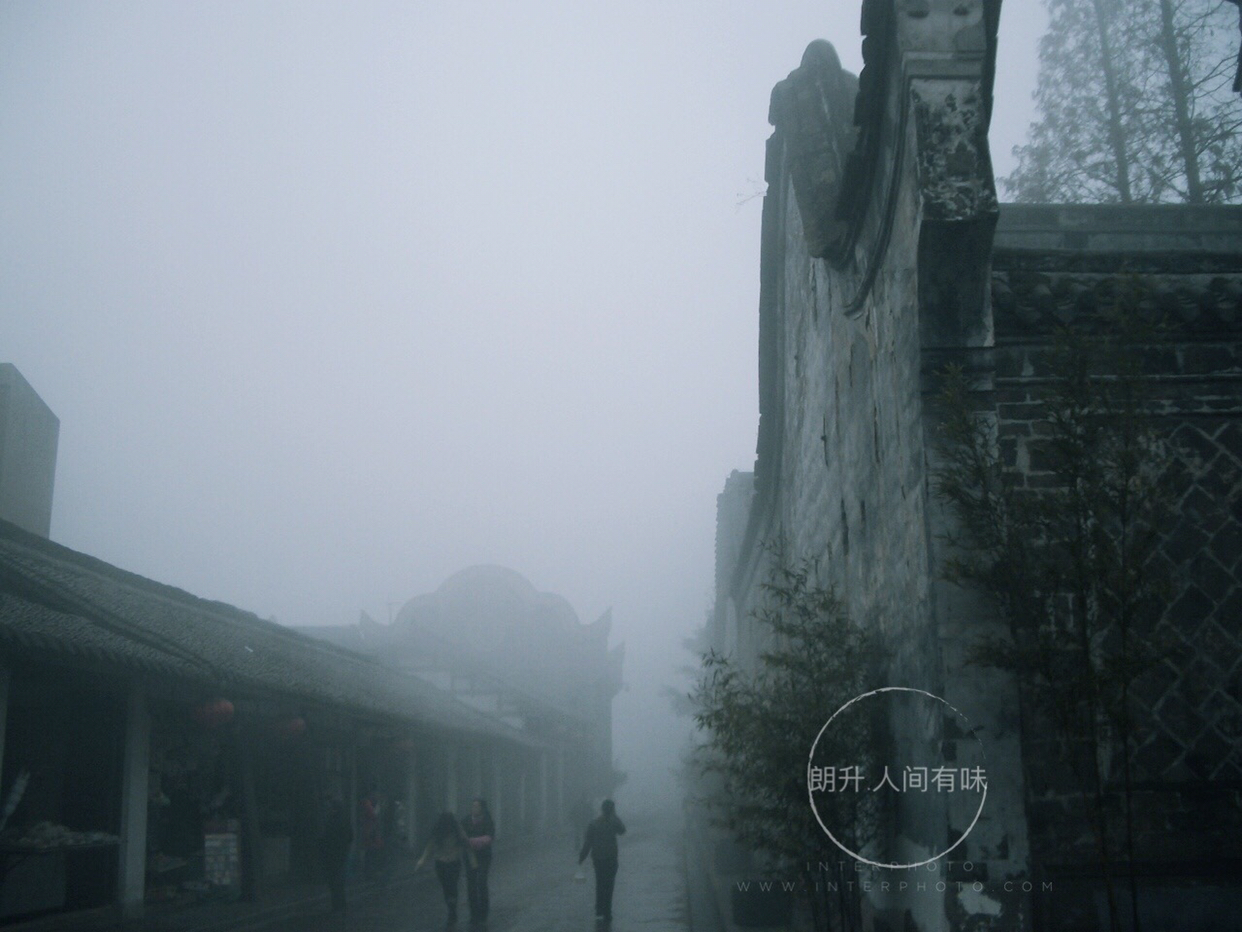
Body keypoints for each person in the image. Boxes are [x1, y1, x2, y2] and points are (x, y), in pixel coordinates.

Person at [416, 812, 477, 928]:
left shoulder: (458, 830)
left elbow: (467, 845)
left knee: (452, 887)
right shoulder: (439, 832)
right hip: (442, 864)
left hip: (453, 863)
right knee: (447, 888)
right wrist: (421, 861)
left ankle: (452, 911)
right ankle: (451, 908)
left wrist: (473, 861)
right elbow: (429, 847)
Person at [578, 799, 625, 924]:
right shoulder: (614, 822)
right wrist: (615, 816)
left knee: (600, 883)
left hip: (598, 859)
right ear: (612, 810)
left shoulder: (594, 823)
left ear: (602, 809)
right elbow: (622, 831)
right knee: (609, 884)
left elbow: (588, 842)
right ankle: (607, 911)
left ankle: (599, 910)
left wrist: (582, 856)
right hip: (611, 858)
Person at [461, 798, 495, 926]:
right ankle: (474, 914)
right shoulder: (465, 821)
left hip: (484, 857)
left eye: (477, 806)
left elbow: (489, 838)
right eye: (473, 806)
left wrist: (471, 841)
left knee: (481, 882)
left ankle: (483, 913)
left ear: (482, 808)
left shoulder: (488, 821)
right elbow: (461, 837)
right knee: (471, 886)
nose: (474, 808)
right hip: (469, 857)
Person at [319, 796, 353, 913]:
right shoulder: (345, 820)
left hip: (332, 854)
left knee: (334, 881)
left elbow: (326, 838)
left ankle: (337, 905)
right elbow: (350, 836)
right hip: (342, 854)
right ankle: (341, 904)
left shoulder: (331, 821)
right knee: (339, 881)